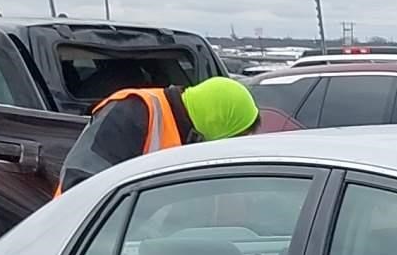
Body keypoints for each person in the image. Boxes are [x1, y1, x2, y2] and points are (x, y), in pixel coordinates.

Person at [56, 74, 262, 194]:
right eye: (234, 138)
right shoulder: (132, 111)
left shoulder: (193, 133)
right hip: (84, 240)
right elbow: (80, 184)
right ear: (218, 122)